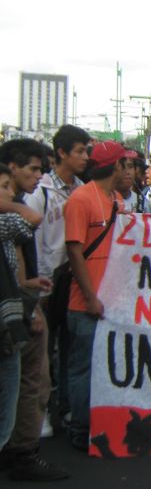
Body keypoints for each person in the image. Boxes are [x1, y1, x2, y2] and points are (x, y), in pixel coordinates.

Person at [63, 141, 133, 451]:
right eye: (125, 164)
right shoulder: (81, 199)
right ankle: (80, 426)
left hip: (113, 301)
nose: (129, 170)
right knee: (83, 367)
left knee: (105, 365)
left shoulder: (115, 199)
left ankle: (100, 422)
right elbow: (74, 251)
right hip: (86, 303)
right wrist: (90, 296)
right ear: (116, 166)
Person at [22, 126, 89, 445]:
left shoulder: (82, 189)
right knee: (44, 352)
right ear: (61, 153)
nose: (85, 157)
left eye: (87, 151)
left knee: (68, 347)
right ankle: (42, 411)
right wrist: (36, 285)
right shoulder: (42, 192)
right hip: (47, 280)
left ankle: (65, 406)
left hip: (72, 279)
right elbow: (31, 241)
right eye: (79, 151)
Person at [0, 163, 43, 453]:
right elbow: (33, 217)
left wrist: (26, 283)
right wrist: (10, 205)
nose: (10, 193)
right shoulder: (6, 219)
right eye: (4, 187)